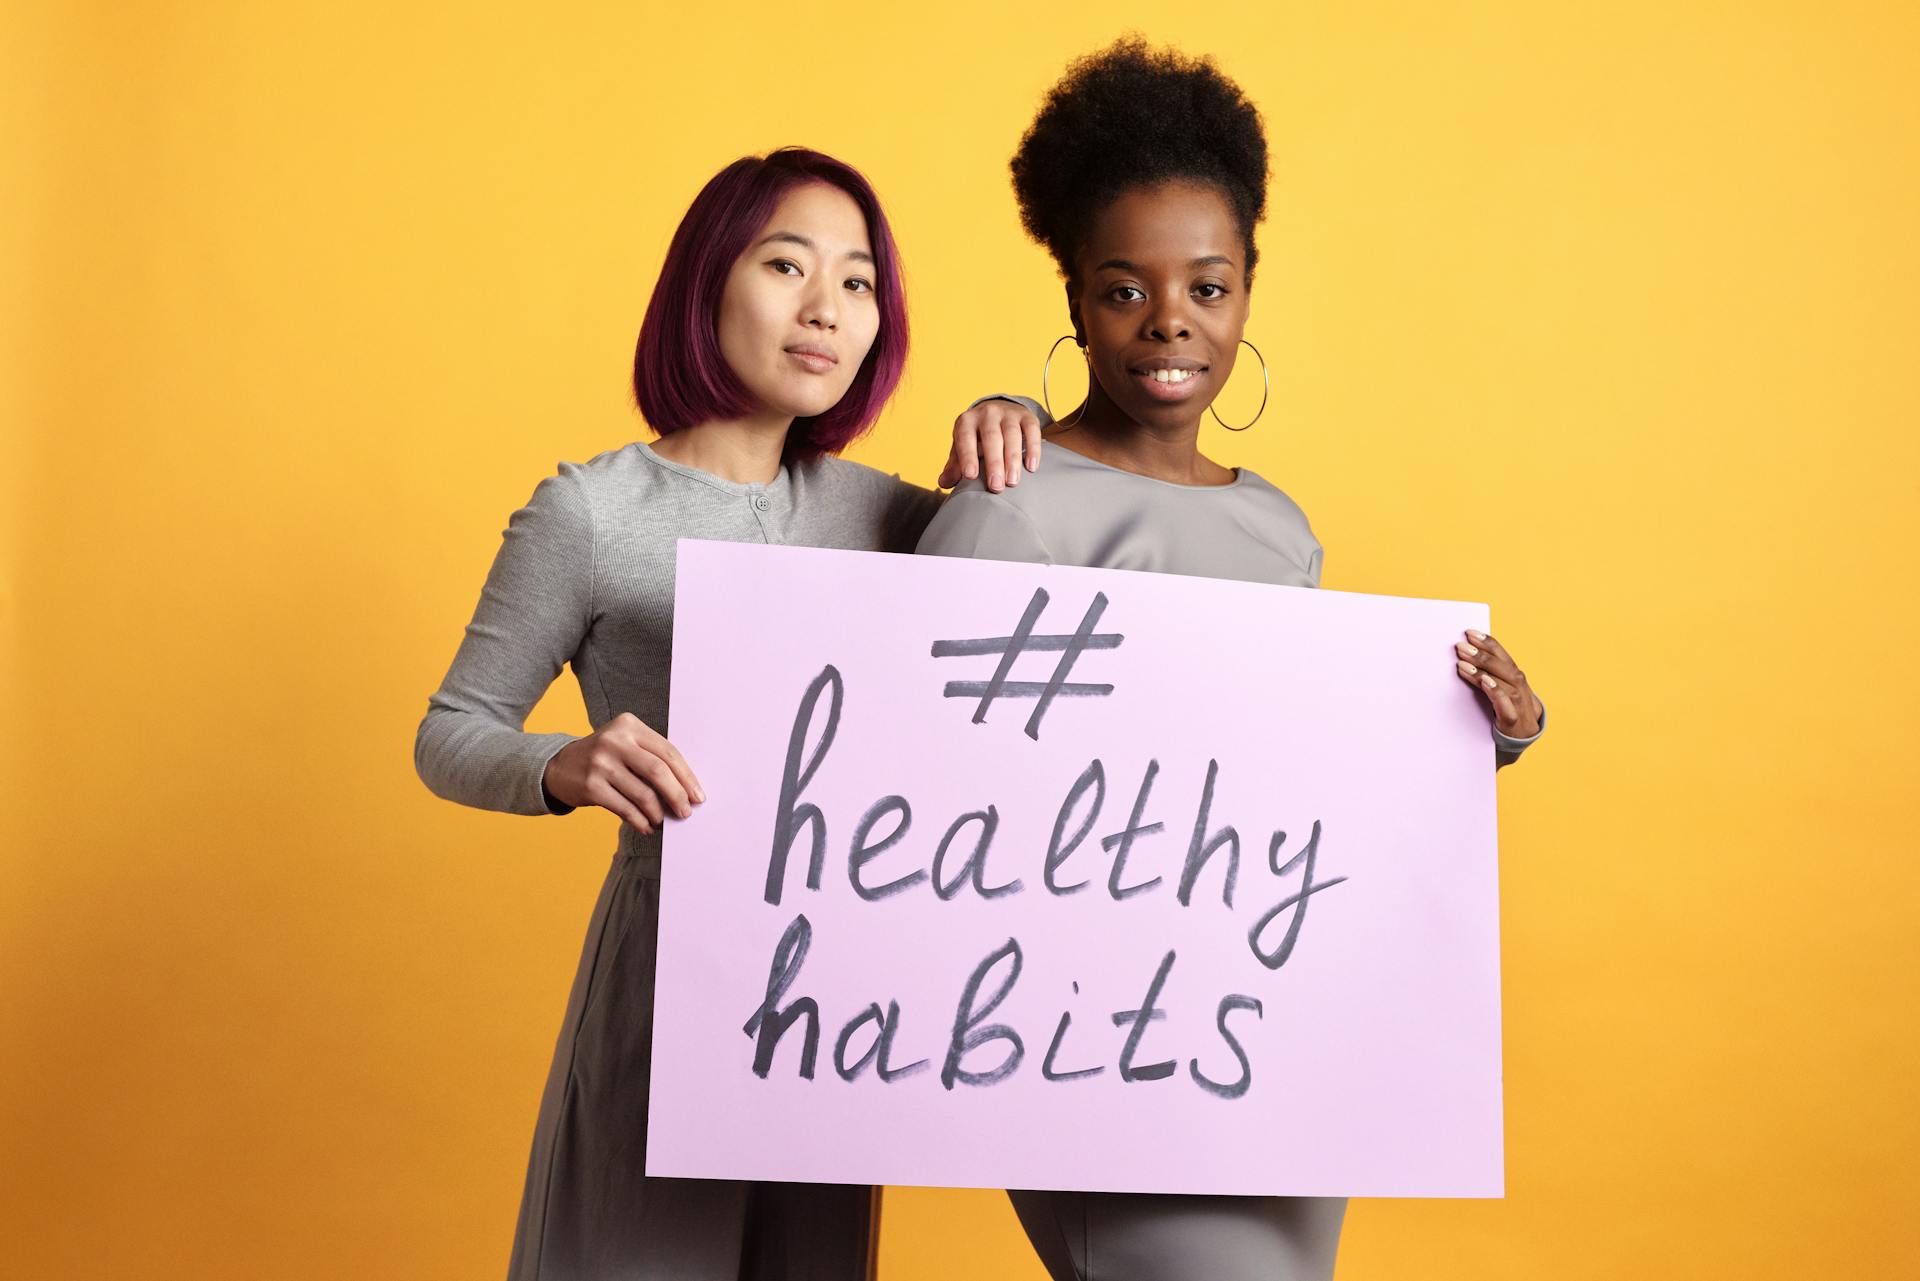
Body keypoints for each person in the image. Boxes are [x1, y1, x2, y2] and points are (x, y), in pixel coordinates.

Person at [917, 39, 1547, 1281]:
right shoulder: (1013, 502)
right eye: (1123, 288)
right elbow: (916, 775)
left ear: (1250, 288)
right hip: (1098, 1042)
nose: (1170, 324)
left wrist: (1485, 730)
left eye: (1208, 286)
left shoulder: (1281, 525)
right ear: (1075, 302)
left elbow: (1305, 789)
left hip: (1275, 1035)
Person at [412, 147, 1038, 1281]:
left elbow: (1035, 581)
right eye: (786, 264)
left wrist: (1016, 415)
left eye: (858, 284)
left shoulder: (884, 512)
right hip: (668, 963)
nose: (826, 309)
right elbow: (451, 733)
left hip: (837, 993)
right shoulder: (590, 512)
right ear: (707, 284)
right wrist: (567, 763)